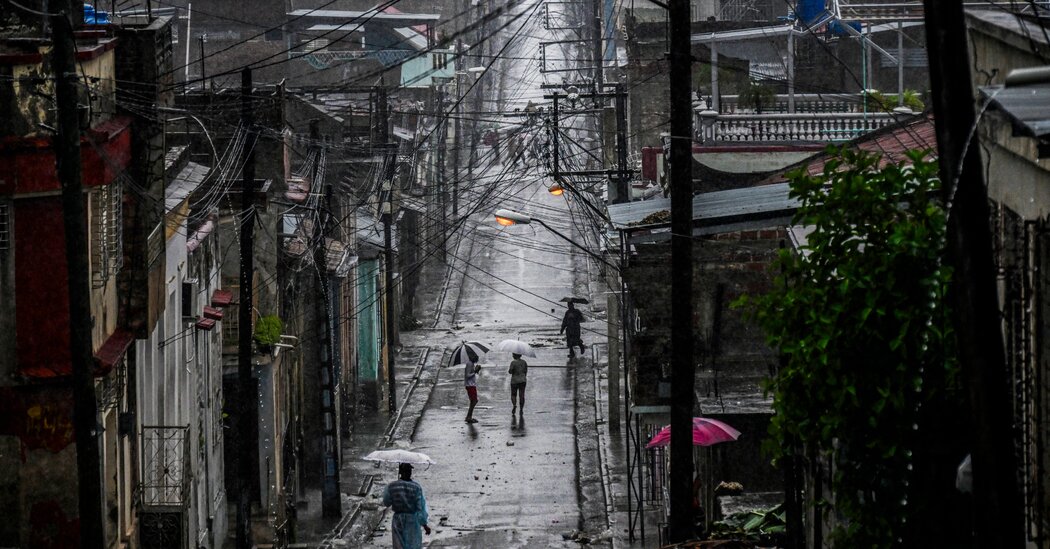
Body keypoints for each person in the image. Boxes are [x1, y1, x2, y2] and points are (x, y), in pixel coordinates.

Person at [382, 463, 431, 549]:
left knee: (398, 545)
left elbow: (386, 502)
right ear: (410, 472)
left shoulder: (391, 486)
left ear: (400, 472)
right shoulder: (416, 487)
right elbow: (420, 508)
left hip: (397, 520)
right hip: (412, 520)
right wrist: (425, 525)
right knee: (412, 545)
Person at [464, 357, 481, 423]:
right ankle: (469, 417)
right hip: (470, 385)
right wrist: (475, 371)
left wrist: (476, 370)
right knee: (474, 401)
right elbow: (467, 375)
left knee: (473, 401)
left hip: (472, 384)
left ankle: (469, 416)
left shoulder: (471, 363)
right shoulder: (469, 364)